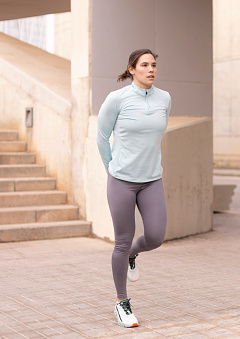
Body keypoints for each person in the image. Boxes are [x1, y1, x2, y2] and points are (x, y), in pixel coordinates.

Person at [96, 48, 171, 328]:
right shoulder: (117, 99)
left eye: (154, 65)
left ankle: (132, 255)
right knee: (121, 240)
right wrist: (112, 171)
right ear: (131, 69)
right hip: (122, 181)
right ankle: (121, 301)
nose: (151, 69)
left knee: (155, 237)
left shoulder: (164, 98)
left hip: (151, 179)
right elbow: (102, 138)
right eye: (144, 65)